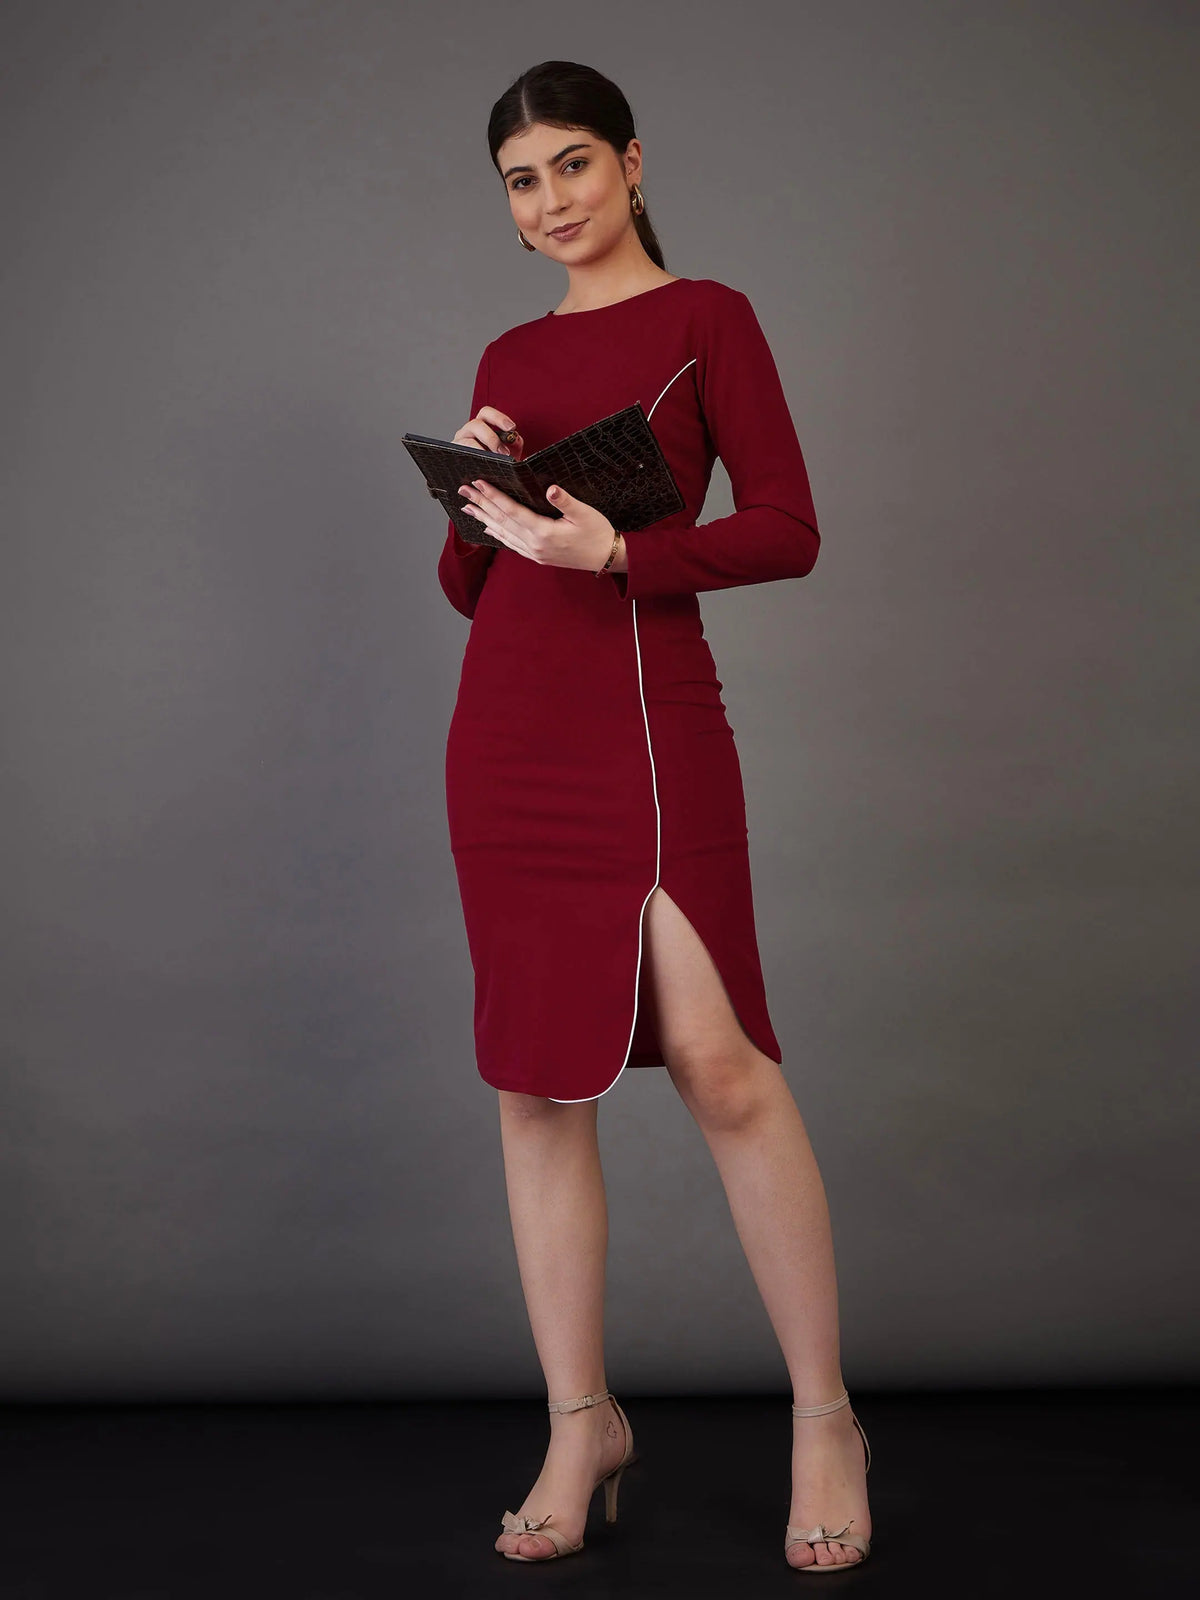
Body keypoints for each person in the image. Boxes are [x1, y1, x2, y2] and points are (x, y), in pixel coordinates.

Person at [436, 60, 872, 1571]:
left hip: (647, 717)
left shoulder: (709, 320)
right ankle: (581, 1424)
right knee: (536, 1087)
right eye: (522, 180)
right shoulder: (508, 349)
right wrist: (479, 492)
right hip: (508, 736)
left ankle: (825, 1419)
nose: (550, 199)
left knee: (722, 1067)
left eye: (572, 163)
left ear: (631, 162)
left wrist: (620, 553)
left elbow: (790, 528)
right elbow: (475, 586)